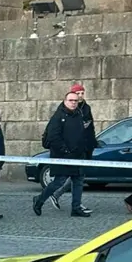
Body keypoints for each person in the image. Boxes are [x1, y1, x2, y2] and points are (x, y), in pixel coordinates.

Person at [34, 86, 95, 217]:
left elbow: (83, 134)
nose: (74, 102)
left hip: (78, 155)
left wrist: (87, 148)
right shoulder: (58, 116)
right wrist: (65, 150)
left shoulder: (79, 114)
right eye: (71, 100)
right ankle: (39, 200)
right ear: (65, 101)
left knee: (78, 181)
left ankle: (76, 208)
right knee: (59, 182)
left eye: (76, 100)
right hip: (62, 156)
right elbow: (53, 137)